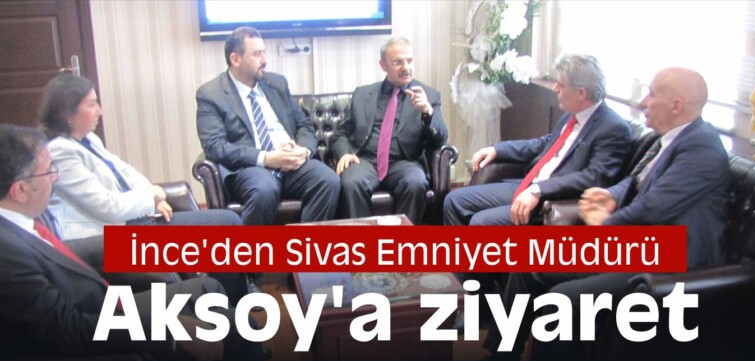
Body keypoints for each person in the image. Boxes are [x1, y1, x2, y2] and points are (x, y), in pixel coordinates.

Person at [480, 67, 730, 361]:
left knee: (562, 300)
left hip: (668, 262)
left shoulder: (701, 147)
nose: (642, 101)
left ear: (676, 105)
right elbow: (635, 180)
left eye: (651, 94)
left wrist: (601, 228)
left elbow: (653, 208)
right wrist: (611, 195)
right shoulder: (667, 139)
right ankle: (502, 360)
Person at [0, 124, 266, 361]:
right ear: (20, 190)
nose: (55, 179)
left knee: (209, 288)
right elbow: (69, 330)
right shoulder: (7, 255)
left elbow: (68, 253)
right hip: (99, 328)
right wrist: (166, 331)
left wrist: (133, 245)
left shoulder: (19, 222)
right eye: (49, 172)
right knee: (239, 328)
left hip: (102, 305)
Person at [39, 73, 249, 305]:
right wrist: (151, 198)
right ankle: (234, 306)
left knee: (227, 223)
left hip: (133, 220)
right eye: (91, 105)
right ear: (67, 114)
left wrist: (154, 193)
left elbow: (125, 171)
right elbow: (107, 207)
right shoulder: (61, 152)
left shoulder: (88, 140)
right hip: (105, 240)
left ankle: (233, 302)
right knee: (225, 225)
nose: (99, 111)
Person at [443, 54, 632, 227]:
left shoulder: (613, 129)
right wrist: (497, 150)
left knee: (481, 222)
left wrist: (539, 190)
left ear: (581, 93)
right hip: (528, 184)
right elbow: (544, 144)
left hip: (551, 199)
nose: (555, 88)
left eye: (561, 85)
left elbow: (594, 177)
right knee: (454, 201)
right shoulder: (572, 115)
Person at [196, 26, 339, 225]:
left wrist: (303, 151)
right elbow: (215, 146)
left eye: (264, 52)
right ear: (235, 59)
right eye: (257, 54)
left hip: (292, 162)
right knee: (264, 190)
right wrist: (267, 158)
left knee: (328, 180)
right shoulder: (211, 94)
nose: (265, 60)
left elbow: (303, 124)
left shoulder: (277, 83)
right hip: (251, 167)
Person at [331, 37, 448, 224]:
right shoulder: (362, 94)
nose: (406, 68)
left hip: (404, 162)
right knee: (351, 182)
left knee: (415, 182)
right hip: (365, 161)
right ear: (383, 65)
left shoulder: (429, 96)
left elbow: (440, 140)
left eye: (410, 61)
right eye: (397, 62)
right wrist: (344, 153)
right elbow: (341, 134)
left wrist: (427, 112)